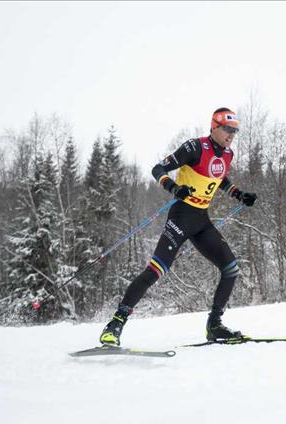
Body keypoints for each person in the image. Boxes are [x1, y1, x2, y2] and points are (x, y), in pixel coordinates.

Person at [99, 107, 257, 347]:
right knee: (155, 271)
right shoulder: (194, 147)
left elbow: (219, 178)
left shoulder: (228, 155)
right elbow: (158, 169)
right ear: (214, 127)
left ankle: (214, 325)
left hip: (201, 221)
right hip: (181, 218)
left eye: (235, 131)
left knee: (231, 269)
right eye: (227, 129)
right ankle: (114, 325)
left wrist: (239, 194)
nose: (231, 135)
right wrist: (174, 188)